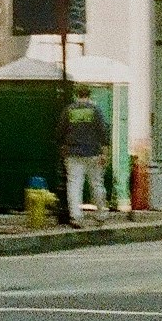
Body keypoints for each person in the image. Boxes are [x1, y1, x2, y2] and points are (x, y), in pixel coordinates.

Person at [58, 85, 108, 225]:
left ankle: (76, 216)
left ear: (76, 94)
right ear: (89, 94)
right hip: (93, 153)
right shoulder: (95, 110)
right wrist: (104, 152)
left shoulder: (69, 110)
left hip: (73, 153)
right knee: (97, 184)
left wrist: (63, 147)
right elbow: (103, 131)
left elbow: (61, 131)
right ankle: (101, 213)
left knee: (74, 184)